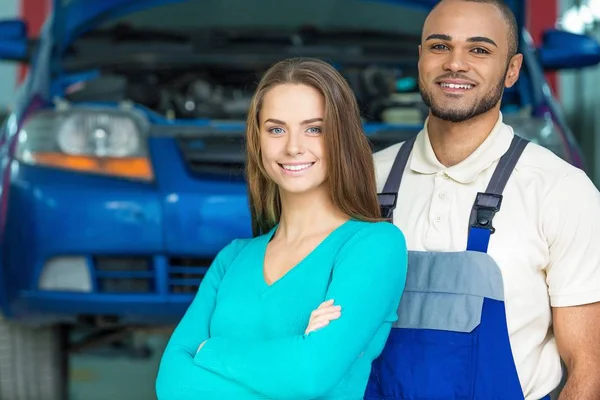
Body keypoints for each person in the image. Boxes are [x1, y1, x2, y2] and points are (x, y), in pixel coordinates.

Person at [362, 0, 600, 399]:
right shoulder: (366, 180)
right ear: (420, 59)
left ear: (512, 70)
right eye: (440, 46)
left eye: (479, 49)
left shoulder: (560, 190)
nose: (456, 63)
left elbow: (589, 370)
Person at [154, 57, 408, 400]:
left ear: (342, 137)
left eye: (314, 128)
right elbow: (171, 384)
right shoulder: (232, 258)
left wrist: (208, 352)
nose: (292, 147)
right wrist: (294, 351)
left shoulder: (374, 245)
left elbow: (308, 375)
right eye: (276, 129)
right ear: (257, 140)